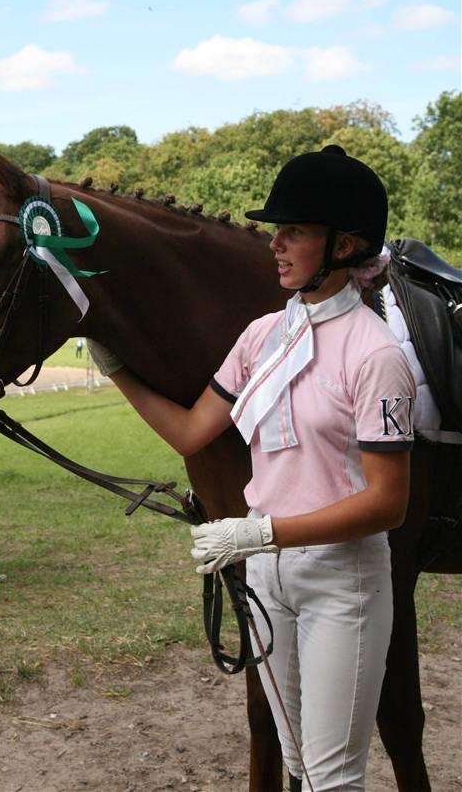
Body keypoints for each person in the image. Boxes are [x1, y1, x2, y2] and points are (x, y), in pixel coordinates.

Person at [89, 144, 415, 792]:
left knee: (332, 778)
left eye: (295, 230)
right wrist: (118, 367)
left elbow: (389, 503)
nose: (276, 242)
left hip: (341, 579)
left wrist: (259, 533)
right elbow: (189, 429)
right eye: (277, 228)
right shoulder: (261, 335)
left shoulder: (375, 354)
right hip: (267, 576)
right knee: (293, 763)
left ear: (345, 244)